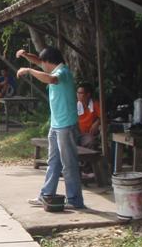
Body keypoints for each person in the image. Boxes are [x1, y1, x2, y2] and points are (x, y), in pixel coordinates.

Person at [16, 46, 85, 210]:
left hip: (66, 125)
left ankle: (75, 200)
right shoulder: (54, 68)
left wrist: (29, 70)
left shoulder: (62, 73)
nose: (41, 65)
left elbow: (51, 79)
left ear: (49, 62)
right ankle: (46, 195)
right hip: (56, 125)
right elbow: (39, 62)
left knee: (69, 164)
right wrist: (26, 55)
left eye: (43, 63)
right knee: (53, 162)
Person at [76, 83, 101, 149]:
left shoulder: (95, 104)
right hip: (76, 133)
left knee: (90, 141)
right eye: (77, 93)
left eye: (81, 93)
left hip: (88, 135)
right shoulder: (74, 105)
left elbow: (104, 117)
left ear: (88, 94)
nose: (78, 95)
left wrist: (97, 122)